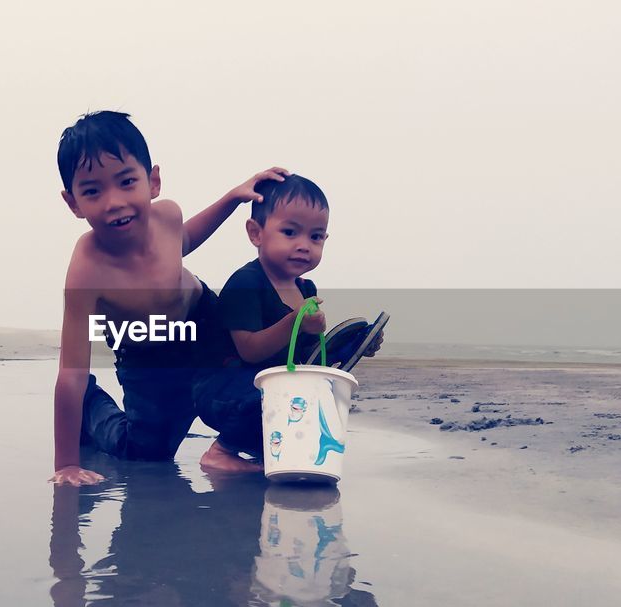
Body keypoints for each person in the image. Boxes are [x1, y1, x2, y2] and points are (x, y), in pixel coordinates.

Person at [51, 109, 286, 486]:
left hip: (205, 322)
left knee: (252, 387)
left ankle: (224, 449)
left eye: (127, 181)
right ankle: (92, 408)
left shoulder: (166, 216)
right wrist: (65, 464)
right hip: (148, 354)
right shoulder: (86, 270)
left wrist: (232, 198)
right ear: (73, 202)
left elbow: (185, 240)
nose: (114, 201)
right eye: (93, 191)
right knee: (146, 452)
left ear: (153, 181)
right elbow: (72, 371)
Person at [193, 174, 383, 472]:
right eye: (290, 232)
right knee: (272, 398)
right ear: (256, 233)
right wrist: (293, 322)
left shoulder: (306, 290)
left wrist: (355, 346)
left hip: (265, 388)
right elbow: (250, 351)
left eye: (316, 236)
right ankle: (220, 451)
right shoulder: (247, 283)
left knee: (314, 397)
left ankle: (266, 450)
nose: (304, 245)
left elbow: (307, 356)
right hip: (222, 390)